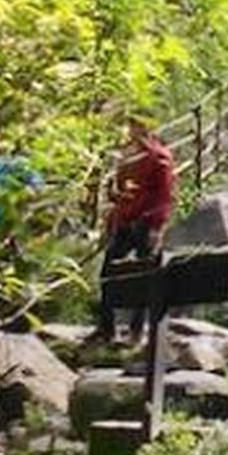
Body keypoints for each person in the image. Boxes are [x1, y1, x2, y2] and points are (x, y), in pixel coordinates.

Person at [92, 118, 176, 344]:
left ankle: (136, 331)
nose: (128, 132)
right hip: (126, 220)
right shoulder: (130, 157)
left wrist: (155, 224)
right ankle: (106, 328)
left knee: (144, 275)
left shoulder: (159, 157)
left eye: (132, 127)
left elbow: (164, 196)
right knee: (108, 272)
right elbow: (125, 192)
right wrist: (114, 199)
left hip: (145, 222)